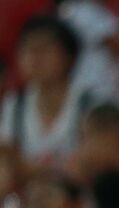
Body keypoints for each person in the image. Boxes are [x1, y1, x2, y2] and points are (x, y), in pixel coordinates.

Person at [0, 14, 94, 170]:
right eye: (27, 49)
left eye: (44, 48)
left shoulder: (90, 104)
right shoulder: (15, 104)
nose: (34, 57)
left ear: (69, 56)